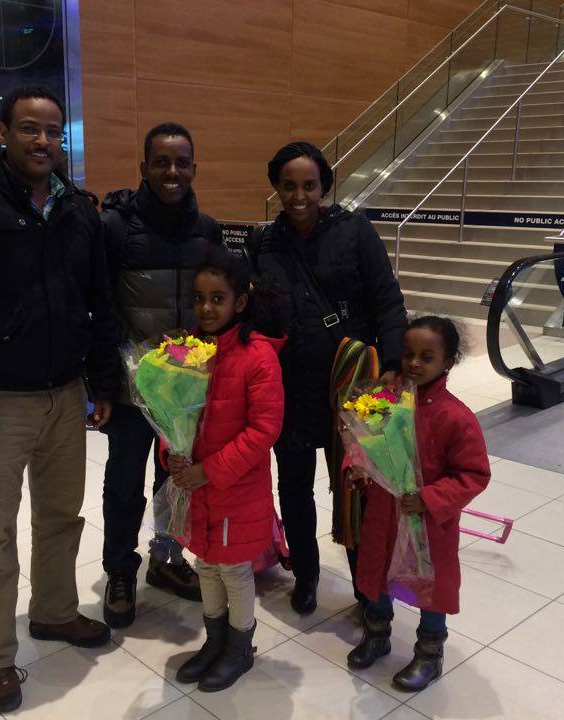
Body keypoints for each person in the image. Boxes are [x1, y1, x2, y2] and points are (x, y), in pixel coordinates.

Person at [0, 85, 119, 713]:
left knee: (62, 515)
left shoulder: (75, 206)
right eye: (30, 128)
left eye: (53, 130)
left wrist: (101, 383)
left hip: (65, 393)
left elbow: (98, 301)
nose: (43, 140)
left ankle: (56, 612)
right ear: (3, 133)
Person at [247, 141, 407, 615]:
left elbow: (387, 299)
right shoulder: (263, 244)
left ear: (323, 186)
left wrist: (393, 364)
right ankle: (308, 575)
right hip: (290, 386)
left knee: (355, 486)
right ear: (276, 187)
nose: (299, 195)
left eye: (309, 185)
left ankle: (365, 584)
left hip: (352, 385)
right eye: (289, 186)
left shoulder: (354, 232)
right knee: (294, 487)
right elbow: (253, 313)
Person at [99, 122, 222, 628]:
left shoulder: (208, 230)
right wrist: (104, 382)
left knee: (174, 481)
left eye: (182, 162)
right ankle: (120, 571)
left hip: (186, 390)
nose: (172, 172)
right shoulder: (116, 227)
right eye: (161, 162)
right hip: (132, 391)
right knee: (125, 482)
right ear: (144, 167)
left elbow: (218, 307)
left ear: (194, 167)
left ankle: (166, 558)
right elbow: (101, 306)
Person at [164, 247, 287, 691]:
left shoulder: (258, 356)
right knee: (206, 566)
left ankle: (239, 649)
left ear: (240, 301)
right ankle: (214, 642)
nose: (207, 307)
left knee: (234, 570)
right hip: (197, 487)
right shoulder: (186, 353)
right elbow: (170, 414)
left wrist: (208, 470)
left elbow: (264, 429)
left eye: (218, 298)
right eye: (199, 298)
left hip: (236, 488)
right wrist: (172, 455)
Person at [348, 316, 490, 691]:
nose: (413, 363)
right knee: (376, 575)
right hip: (383, 512)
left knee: (430, 586)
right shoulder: (385, 401)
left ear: (447, 362)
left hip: (429, 522)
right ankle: (377, 634)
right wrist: (358, 467)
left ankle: (429, 653)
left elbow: (474, 474)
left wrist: (428, 498)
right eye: (408, 354)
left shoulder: (456, 417)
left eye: (426, 356)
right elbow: (362, 442)